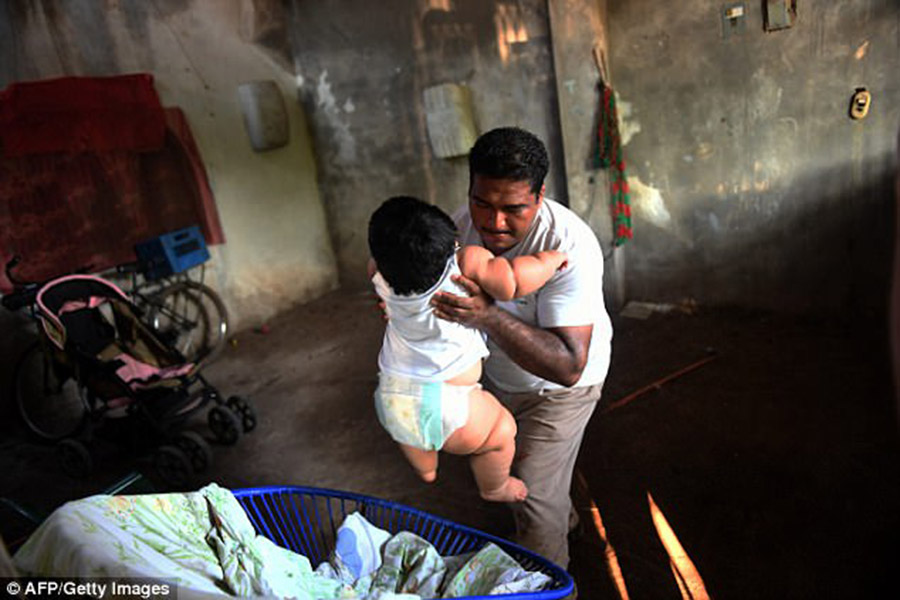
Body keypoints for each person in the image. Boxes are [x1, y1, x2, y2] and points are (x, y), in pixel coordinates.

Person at [430, 126, 613, 569]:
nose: (493, 223)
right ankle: (564, 520)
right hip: (502, 379)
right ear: (470, 187)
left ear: (540, 195)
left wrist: (487, 315)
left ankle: (551, 587)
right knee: (518, 472)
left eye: (513, 209)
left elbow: (569, 364)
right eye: (482, 203)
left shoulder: (568, 246)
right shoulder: (459, 227)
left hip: (563, 390)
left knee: (529, 496)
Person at [368, 195, 568, 504]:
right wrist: (551, 261)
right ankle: (495, 488)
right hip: (444, 402)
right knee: (500, 432)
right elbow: (513, 279)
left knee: (418, 440)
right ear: (450, 240)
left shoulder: (381, 277)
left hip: (393, 399)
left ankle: (426, 468)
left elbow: (376, 264)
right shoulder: (464, 265)